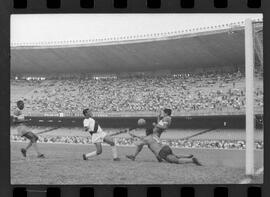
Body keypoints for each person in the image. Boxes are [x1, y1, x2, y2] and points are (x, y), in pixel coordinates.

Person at [126, 129, 202, 165]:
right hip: (166, 147)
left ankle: (192, 161)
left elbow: (139, 144)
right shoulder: (154, 135)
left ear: (146, 133)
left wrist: (132, 138)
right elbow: (142, 137)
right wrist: (132, 134)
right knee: (174, 156)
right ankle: (187, 156)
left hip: (161, 152)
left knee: (175, 161)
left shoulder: (146, 139)